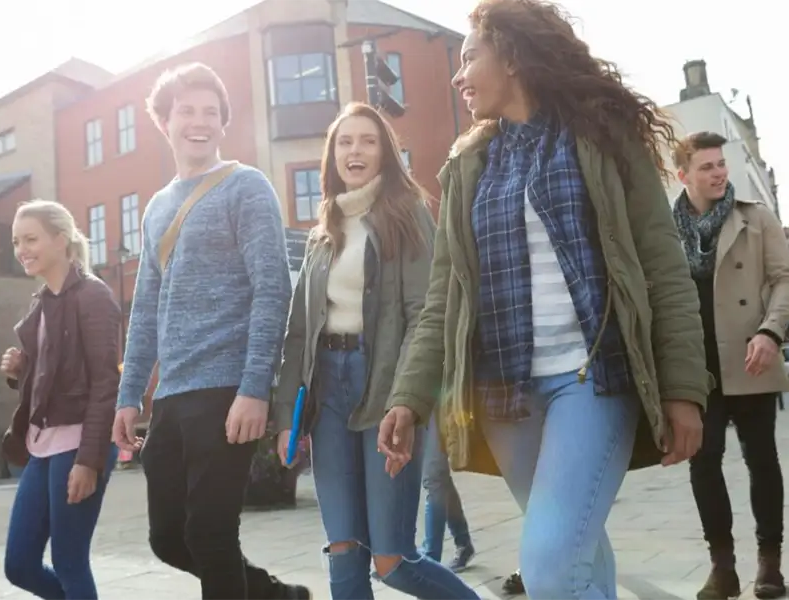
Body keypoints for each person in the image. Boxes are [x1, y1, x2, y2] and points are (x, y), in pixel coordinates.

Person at [377, 1, 710, 598]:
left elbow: (663, 264)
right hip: (507, 394)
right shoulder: (469, 164)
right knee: (578, 553)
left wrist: (684, 388)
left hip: (593, 378)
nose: (459, 76)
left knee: (550, 562)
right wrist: (409, 396)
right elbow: (443, 300)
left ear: (511, 56)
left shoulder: (602, 138)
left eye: (469, 57)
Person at [112, 63, 308, 600]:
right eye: (186, 111)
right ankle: (278, 596)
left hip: (225, 389)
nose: (198, 122)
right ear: (165, 122)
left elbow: (272, 290)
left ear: (224, 123)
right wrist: (130, 396)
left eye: (210, 113)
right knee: (169, 538)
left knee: (209, 533)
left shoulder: (246, 187)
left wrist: (253, 388)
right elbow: (147, 308)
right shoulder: (156, 208)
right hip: (172, 394)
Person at [273, 102, 480, 600]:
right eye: (345, 142)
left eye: (367, 140)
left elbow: (423, 313)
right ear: (332, 156)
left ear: (385, 152)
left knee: (392, 560)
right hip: (328, 392)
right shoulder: (322, 233)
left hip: (386, 385)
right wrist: (287, 416)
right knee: (343, 553)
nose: (355, 151)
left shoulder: (405, 215)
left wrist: (405, 401)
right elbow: (298, 331)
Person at [671, 132, 789, 600]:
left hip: (751, 357)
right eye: (706, 167)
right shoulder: (664, 229)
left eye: (721, 164)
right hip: (694, 366)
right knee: (704, 465)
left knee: (762, 459)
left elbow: (785, 279)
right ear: (682, 175)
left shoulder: (755, 217)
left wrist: (771, 331)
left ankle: (770, 563)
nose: (719, 172)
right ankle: (722, 567)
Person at [0, 199, 121, 599]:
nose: (22, 250)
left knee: (70, 560)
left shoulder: (93, 296)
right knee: (19, 564)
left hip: (80, 443)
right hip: (43, 445)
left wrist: (89, 460)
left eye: (31, 239)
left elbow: (106, 383)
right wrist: (21, 371)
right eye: (17, 241)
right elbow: (54, 377)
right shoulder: (41, 303)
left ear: (61, 239)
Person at [420, 413, 476, 571]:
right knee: (439, 479)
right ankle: (463, 541)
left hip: (435, 400)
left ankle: (431, 556)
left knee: (434, 477)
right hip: (413, 401)